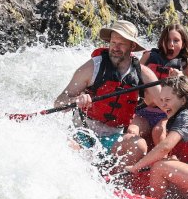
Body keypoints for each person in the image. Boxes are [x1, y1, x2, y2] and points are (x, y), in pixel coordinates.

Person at [53, 20, 161, 165]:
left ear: (132, 46)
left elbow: (164, 102)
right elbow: (59, 102)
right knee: (67, 148)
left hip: (113, 137)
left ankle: (112, 180)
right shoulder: (92, 67)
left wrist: (176, 84)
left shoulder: (143, 74)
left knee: (139, 146)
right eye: (113, 42)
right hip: (83, 133)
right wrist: (76, 100)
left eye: (121, 43)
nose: (115, 47)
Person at [127, 24, 188, 146]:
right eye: (168, 40)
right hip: (144, 109)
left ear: (183, 44)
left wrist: (181, 81)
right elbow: (133, 81)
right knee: (131, 130)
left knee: (158, 131)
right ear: (162, 41)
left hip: (167, 114)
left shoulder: (187, 67)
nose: (171, 44)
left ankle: (161, 160)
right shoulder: (148, 56)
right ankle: (135, 158)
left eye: (176, 41)